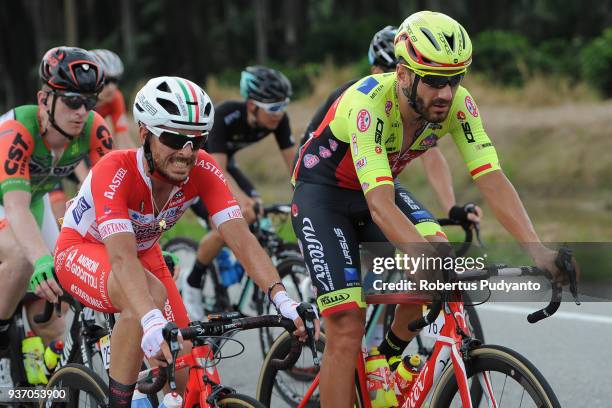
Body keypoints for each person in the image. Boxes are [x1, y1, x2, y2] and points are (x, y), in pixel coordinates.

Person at [291, 11, 575, 407]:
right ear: (404, 74)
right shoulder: (367, 103)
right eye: (435, 81)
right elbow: (380, 207)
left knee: (437, 253)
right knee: (346, 326)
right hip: (323, 194)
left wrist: (539, 251)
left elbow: (491, 178)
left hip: (377, 185)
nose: (446, 93)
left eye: (455, 79)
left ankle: (387, 357)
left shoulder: (458, 105)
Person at [36, 76, 314, 407]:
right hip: (82, 250)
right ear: (144, 134)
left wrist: (283, 300)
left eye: (196, 141)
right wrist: (150, 319)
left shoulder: (203, 168)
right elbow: (123, 260)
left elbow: (243, 241)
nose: (186, 153)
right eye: (173, 138)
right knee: (147, 299)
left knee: (188, 365)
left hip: (143, 254)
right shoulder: (116, 169)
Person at [0, 46, 110, 362]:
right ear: (44, 99)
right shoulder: (18, 132)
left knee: (53, 309)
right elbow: (15, 208)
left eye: (89, 102)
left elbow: (111, 198)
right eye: (73, 101)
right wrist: (41, 260)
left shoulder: (93, 129)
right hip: (11, 203)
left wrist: (145, 247)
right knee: (25, 258)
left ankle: (56, 382)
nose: (82, 112)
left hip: (34, 201)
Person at [182, 66, 296, 320]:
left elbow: (295, 168)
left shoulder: (279, 120)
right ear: (252, 105)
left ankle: (245, 278)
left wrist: (306, 194)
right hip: (198, 168)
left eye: (284, 105)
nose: (280, 113)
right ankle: (193, 282)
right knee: (230, 221)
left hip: (224, 164)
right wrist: (242, 201)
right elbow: (217, 170)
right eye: (273, 107)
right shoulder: (226, 115)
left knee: (256, 211)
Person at [90, 49, 134, 149]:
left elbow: (122, 137)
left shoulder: (115, 98)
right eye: (105, 81)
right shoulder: (78, 99)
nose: (111, 87)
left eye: (115, 80)